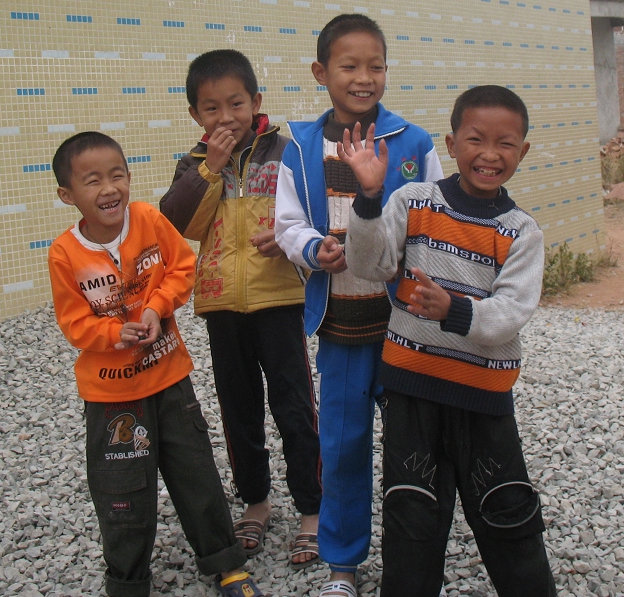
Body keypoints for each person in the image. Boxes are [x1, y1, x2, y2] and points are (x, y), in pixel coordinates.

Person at [340, 85, 557, 596]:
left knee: (507, 513)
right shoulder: (413, 202)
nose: (490, 154)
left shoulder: (522, 232)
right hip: (412, 392)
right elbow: (369, 264)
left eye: (505, 143)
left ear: (523, 151)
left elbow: (510, 314)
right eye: (476, 139)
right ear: (452, 143)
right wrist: (368, 198)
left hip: (483, 400)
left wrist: (454, 310)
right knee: (411, 513)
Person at [48, 131, 264, 597]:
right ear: (68, 195)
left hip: (170, 380)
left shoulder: (148, 219)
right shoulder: (65, 253)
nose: (109, 189)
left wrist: (156, 307)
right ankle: (127, 584)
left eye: (117, 175)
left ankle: (225, 563)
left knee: (196, 473)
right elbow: (74, 323)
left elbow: (182, 267)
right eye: (92, 181)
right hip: (111, 396)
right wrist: (113, 334)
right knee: (122, 494)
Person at [274, 14, 444, 597]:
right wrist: (310, 248)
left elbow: (436, 219)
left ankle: (410, 557)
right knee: (342, 445)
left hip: (405, 327)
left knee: (411, 446)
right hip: (341, 330)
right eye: (349, 66)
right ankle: (342, 564)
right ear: (321, 72)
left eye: (376, 66)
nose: (364, 77)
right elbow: (287, 223)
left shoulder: (412, 143)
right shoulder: (300, 146)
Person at [159, 49, 322, 570]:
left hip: (279, 299)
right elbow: (175, 224)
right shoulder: (193, 163)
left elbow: (312, 210)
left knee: (294, 405)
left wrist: (289, 236)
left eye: (236, 103)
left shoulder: (286, 151)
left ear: (256, 101)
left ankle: (312, 508)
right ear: (195, 115)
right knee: (238, 408)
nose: (225, 117)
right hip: (222, 303)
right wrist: (208, 169)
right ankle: (255, 500)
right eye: (211, 108)